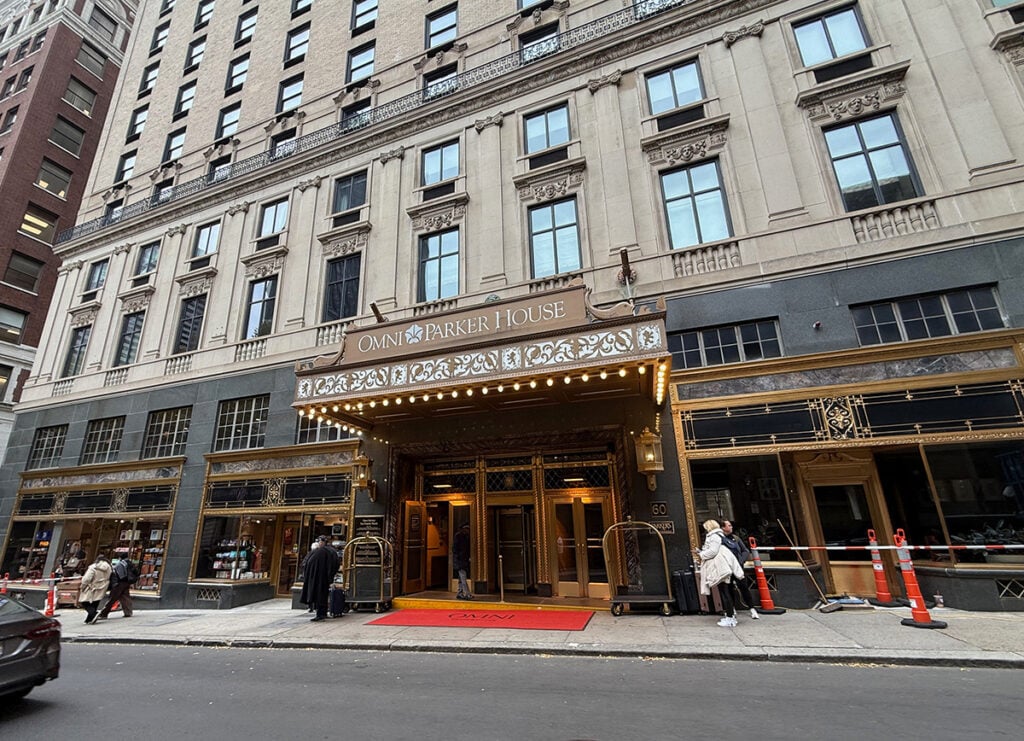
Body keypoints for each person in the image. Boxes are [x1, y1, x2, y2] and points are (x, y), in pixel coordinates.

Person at [696, 519, 746, 628]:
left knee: (724, 592)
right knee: (725, 591)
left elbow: (713, 551)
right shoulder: (719, 535)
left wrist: (701, 554)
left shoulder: (713, 536)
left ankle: (729, 618)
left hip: (719, 568)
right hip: (723, 566)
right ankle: (730, 616)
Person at [721, 520, 759, 620]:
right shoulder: (720, 540)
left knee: (744, 587)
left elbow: (745, 550)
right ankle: (732, 609)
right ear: (723, 528)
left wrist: (740, 561)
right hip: (727, 568)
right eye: (729, 525)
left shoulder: (736, 538)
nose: (731, 527)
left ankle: (752, 608)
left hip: (738, 568)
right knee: (729, 589)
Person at [300, 535, 339, 621]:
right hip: (322, 578)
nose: (319, 543)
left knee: (319, 596)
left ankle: (320, 614)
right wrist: (330, 577)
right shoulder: (329, 551)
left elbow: (307, 563)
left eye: (320, 542)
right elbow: (335, 565)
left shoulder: (322, 551)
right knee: (322, 596)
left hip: (317, 578)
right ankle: (323, 613)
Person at [94, 556, 137, 622]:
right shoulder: (128, 562)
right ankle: (128, 612)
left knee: (112, 599)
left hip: (118, 584)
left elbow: (118, 575)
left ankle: (104, 614)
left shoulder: (118, 564)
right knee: (125, 597)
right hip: (126, 582)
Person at [78, 554, 112, 625]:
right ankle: (89, 619)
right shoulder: (109, 567)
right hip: (103, 586)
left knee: (84, 601)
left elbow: (87, 579)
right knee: (95, 603)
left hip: (92, 586)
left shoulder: (93, 567)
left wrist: (83, 586)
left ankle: (94, 613)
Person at [452, 523, 473, 600]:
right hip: (460, 560)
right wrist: (458, 557)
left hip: (462, 559)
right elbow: (455, 549)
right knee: (463, 577)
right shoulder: (459, 536)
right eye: (467, 529)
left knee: (461, 578)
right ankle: (467, 594)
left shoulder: (466, 537)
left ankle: (460, 593)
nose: (468, 530)